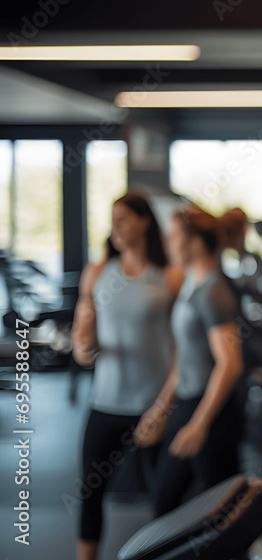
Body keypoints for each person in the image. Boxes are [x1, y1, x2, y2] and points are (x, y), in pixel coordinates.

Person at [71, 193, 184, 560]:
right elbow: (80, 344)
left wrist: (164, 408)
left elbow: (184, 352)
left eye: (123, 219)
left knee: (164, 500)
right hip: (105, 402)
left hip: (152, 404)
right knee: (90, 494)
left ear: (145, 221)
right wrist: (84, 348)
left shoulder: (170, 276)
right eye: (113, 219)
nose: (116, 226)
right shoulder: (98, 272)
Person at [136, 204, 244, 516]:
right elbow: (184, 357)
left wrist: (199, 424)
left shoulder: (213, 291)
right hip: (188, 405)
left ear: (195, 242)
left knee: (224, 519)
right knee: (165, 504)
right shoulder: (190, 283)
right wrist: (161, 408)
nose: (168, 244)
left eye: (173, 237)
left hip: (213, 414)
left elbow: (230, 363)